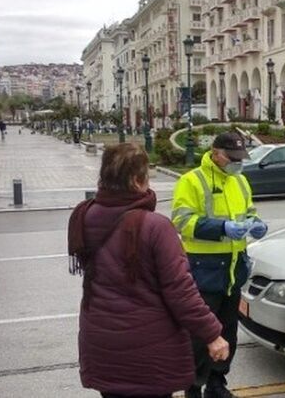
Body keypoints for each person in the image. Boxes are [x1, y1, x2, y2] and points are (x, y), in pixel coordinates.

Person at [69, 143, 230, 398]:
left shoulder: (84, 215)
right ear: (137, 180)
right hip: (147, 349)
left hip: (100, 341)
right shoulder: (155, 226)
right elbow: (181, 291)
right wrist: (212, 334)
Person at [172, 132, 268, 398]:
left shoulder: (240, 180)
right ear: (215, 153)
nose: (237, 163)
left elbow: (249, 211)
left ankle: (217, 383)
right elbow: (182, 221)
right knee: (201, 336)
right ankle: (193, 387)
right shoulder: (191, 181)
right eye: (231, 158)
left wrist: (255, 224)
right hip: (204, 270)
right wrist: (222, 227)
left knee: (228, 332)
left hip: (234, 270)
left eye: (240, 158)